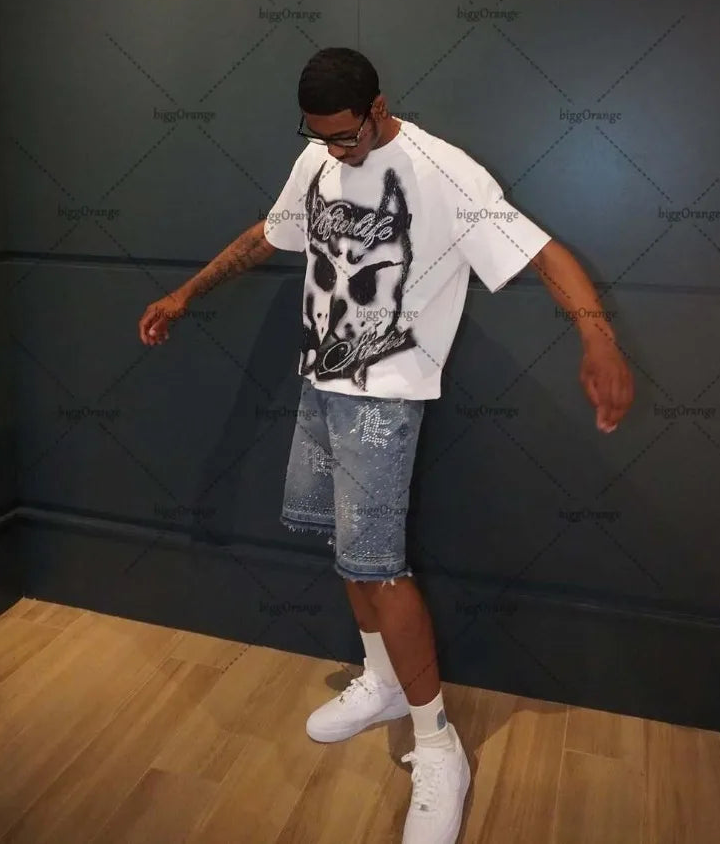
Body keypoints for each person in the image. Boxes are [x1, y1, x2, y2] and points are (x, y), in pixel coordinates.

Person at [138, 47, 634, 843]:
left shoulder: (443, 171)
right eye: (320, 136)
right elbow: (269, 235)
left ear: (378, 107)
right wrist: (186, 293)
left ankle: (438, 746)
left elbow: (543, 253)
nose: (335, 151)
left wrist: (598, 337)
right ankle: (383, 680)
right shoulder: (318, 159)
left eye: (345, 134)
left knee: (381, 568)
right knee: (346, 552)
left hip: (386, 401)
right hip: (321, 385)